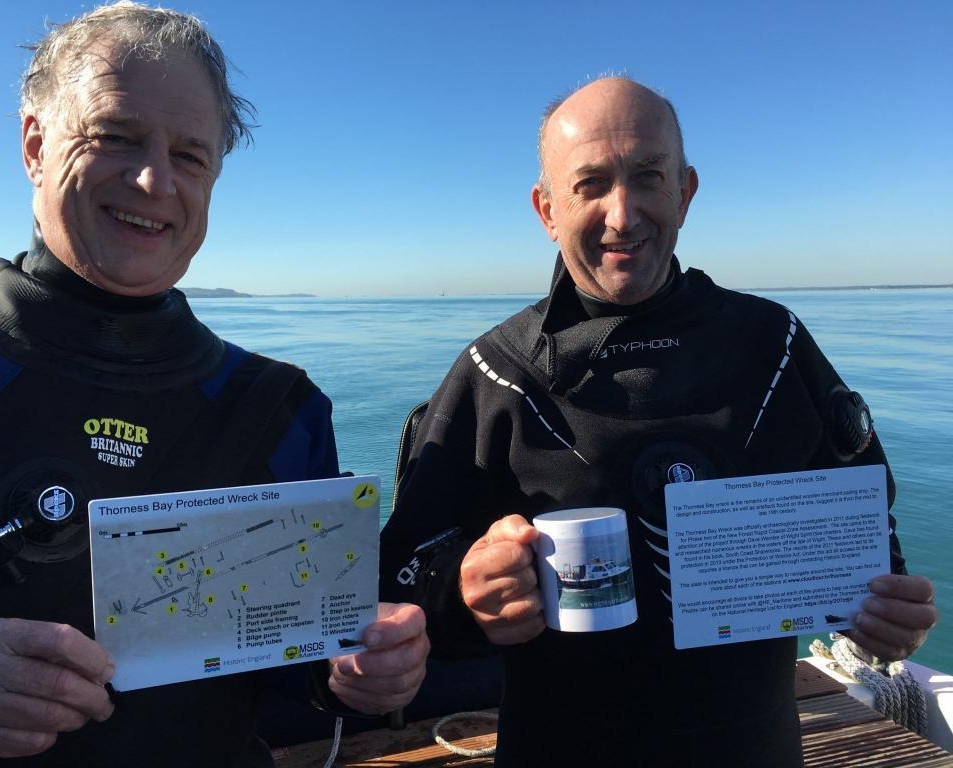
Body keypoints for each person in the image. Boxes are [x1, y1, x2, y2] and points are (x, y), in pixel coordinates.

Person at [379, 77, 938, 767]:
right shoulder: (498, 372)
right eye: (590, 185)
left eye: (647, 176)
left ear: (685, 191)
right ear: (546, 209)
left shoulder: (774, 346)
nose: (623, 214)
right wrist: (466, 587)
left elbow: (871, 541)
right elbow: (399, 581)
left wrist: (891, 617)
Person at [0, 4, 427, 766]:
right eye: (115, 138)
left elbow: (307, 674)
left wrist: (359, 673)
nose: (154, 179)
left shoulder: (281, 411)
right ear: (35, 145)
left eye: (189, 155)